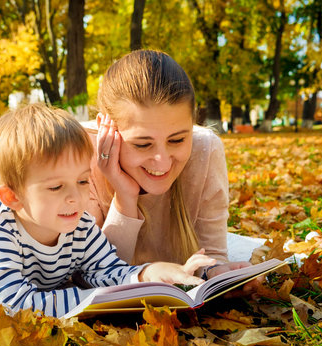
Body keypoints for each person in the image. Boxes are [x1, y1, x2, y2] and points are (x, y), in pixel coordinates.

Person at [0, 104, 215, 318]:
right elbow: (16, 304)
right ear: (13, 197)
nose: (76, 199)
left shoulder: (77, 223)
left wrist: (150, 274)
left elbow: (107, 270)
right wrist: (96, 298)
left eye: (82, 181)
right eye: (56, 187)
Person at [86, 49, 252, 282]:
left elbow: (213, 254)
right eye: (143, 144)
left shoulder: (205, 149)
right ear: (107, 131)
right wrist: (124, 196)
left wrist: (215, 272)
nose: (162, 161)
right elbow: (92, 274)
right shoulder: (80, 156)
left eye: (177, 140)